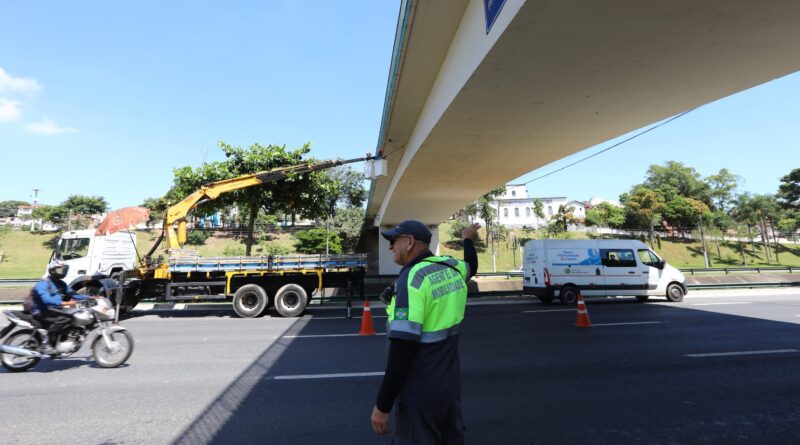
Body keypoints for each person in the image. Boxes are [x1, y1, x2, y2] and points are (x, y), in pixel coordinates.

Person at [371, 220, 479, 444]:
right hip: (449, 388)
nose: (391, 247)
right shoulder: (450, 267)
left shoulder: (413, 279)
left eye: (393, 241)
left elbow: (402, 350)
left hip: (419, 394)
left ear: (409, 242)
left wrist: (383, 405)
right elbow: (471, 265)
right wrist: (467, 238)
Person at [29, 260, 88, 352]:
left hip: (53, 309)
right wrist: (66, 303)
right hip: (41, 310)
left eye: (64, 270)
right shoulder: (44, 283)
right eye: (60, 270)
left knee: (74, 316)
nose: (62, 272)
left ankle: (63, 338)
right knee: (64, 319)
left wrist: (91, 298)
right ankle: (46, 343)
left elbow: (74, 294)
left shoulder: (61, 284)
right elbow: (46, 300)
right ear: (52, 270)